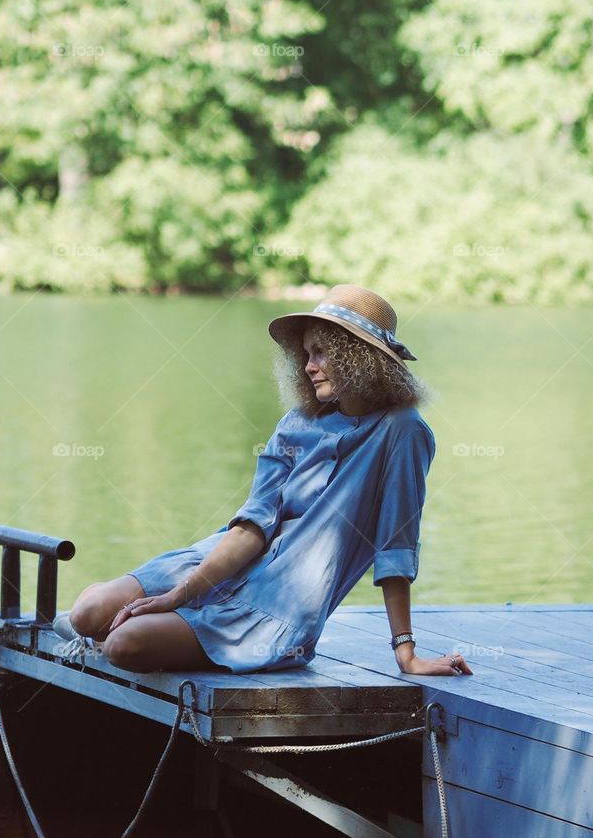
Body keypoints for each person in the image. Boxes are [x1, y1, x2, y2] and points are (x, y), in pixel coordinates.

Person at [52, 283, 472, 679]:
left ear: (356, 356)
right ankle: (106, 623)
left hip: (277, 608)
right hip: (220, 561)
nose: (308, 367)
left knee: (125, 646)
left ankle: (118, 634)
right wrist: (181, 592)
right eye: (305, 353)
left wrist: (407, 653)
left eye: (322, 353)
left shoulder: (403, 431)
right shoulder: (297, 423)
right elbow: (253, 525)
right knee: (87, 612)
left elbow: (396, 547)